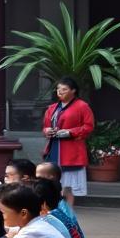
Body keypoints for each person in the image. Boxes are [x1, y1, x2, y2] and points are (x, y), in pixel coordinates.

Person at [42, 76, 93, 205]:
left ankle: (68, 210)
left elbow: (88, 126)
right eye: (58, 89)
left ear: (73, 90)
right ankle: (55, 208)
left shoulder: (82, 106)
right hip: (54, 147)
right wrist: (47, 130)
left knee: (68, 185)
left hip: (71, 150)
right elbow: (45, 126)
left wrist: (70, 132)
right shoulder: (52, 107)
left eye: (64, 89)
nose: (60, 92)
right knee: (53, 181)